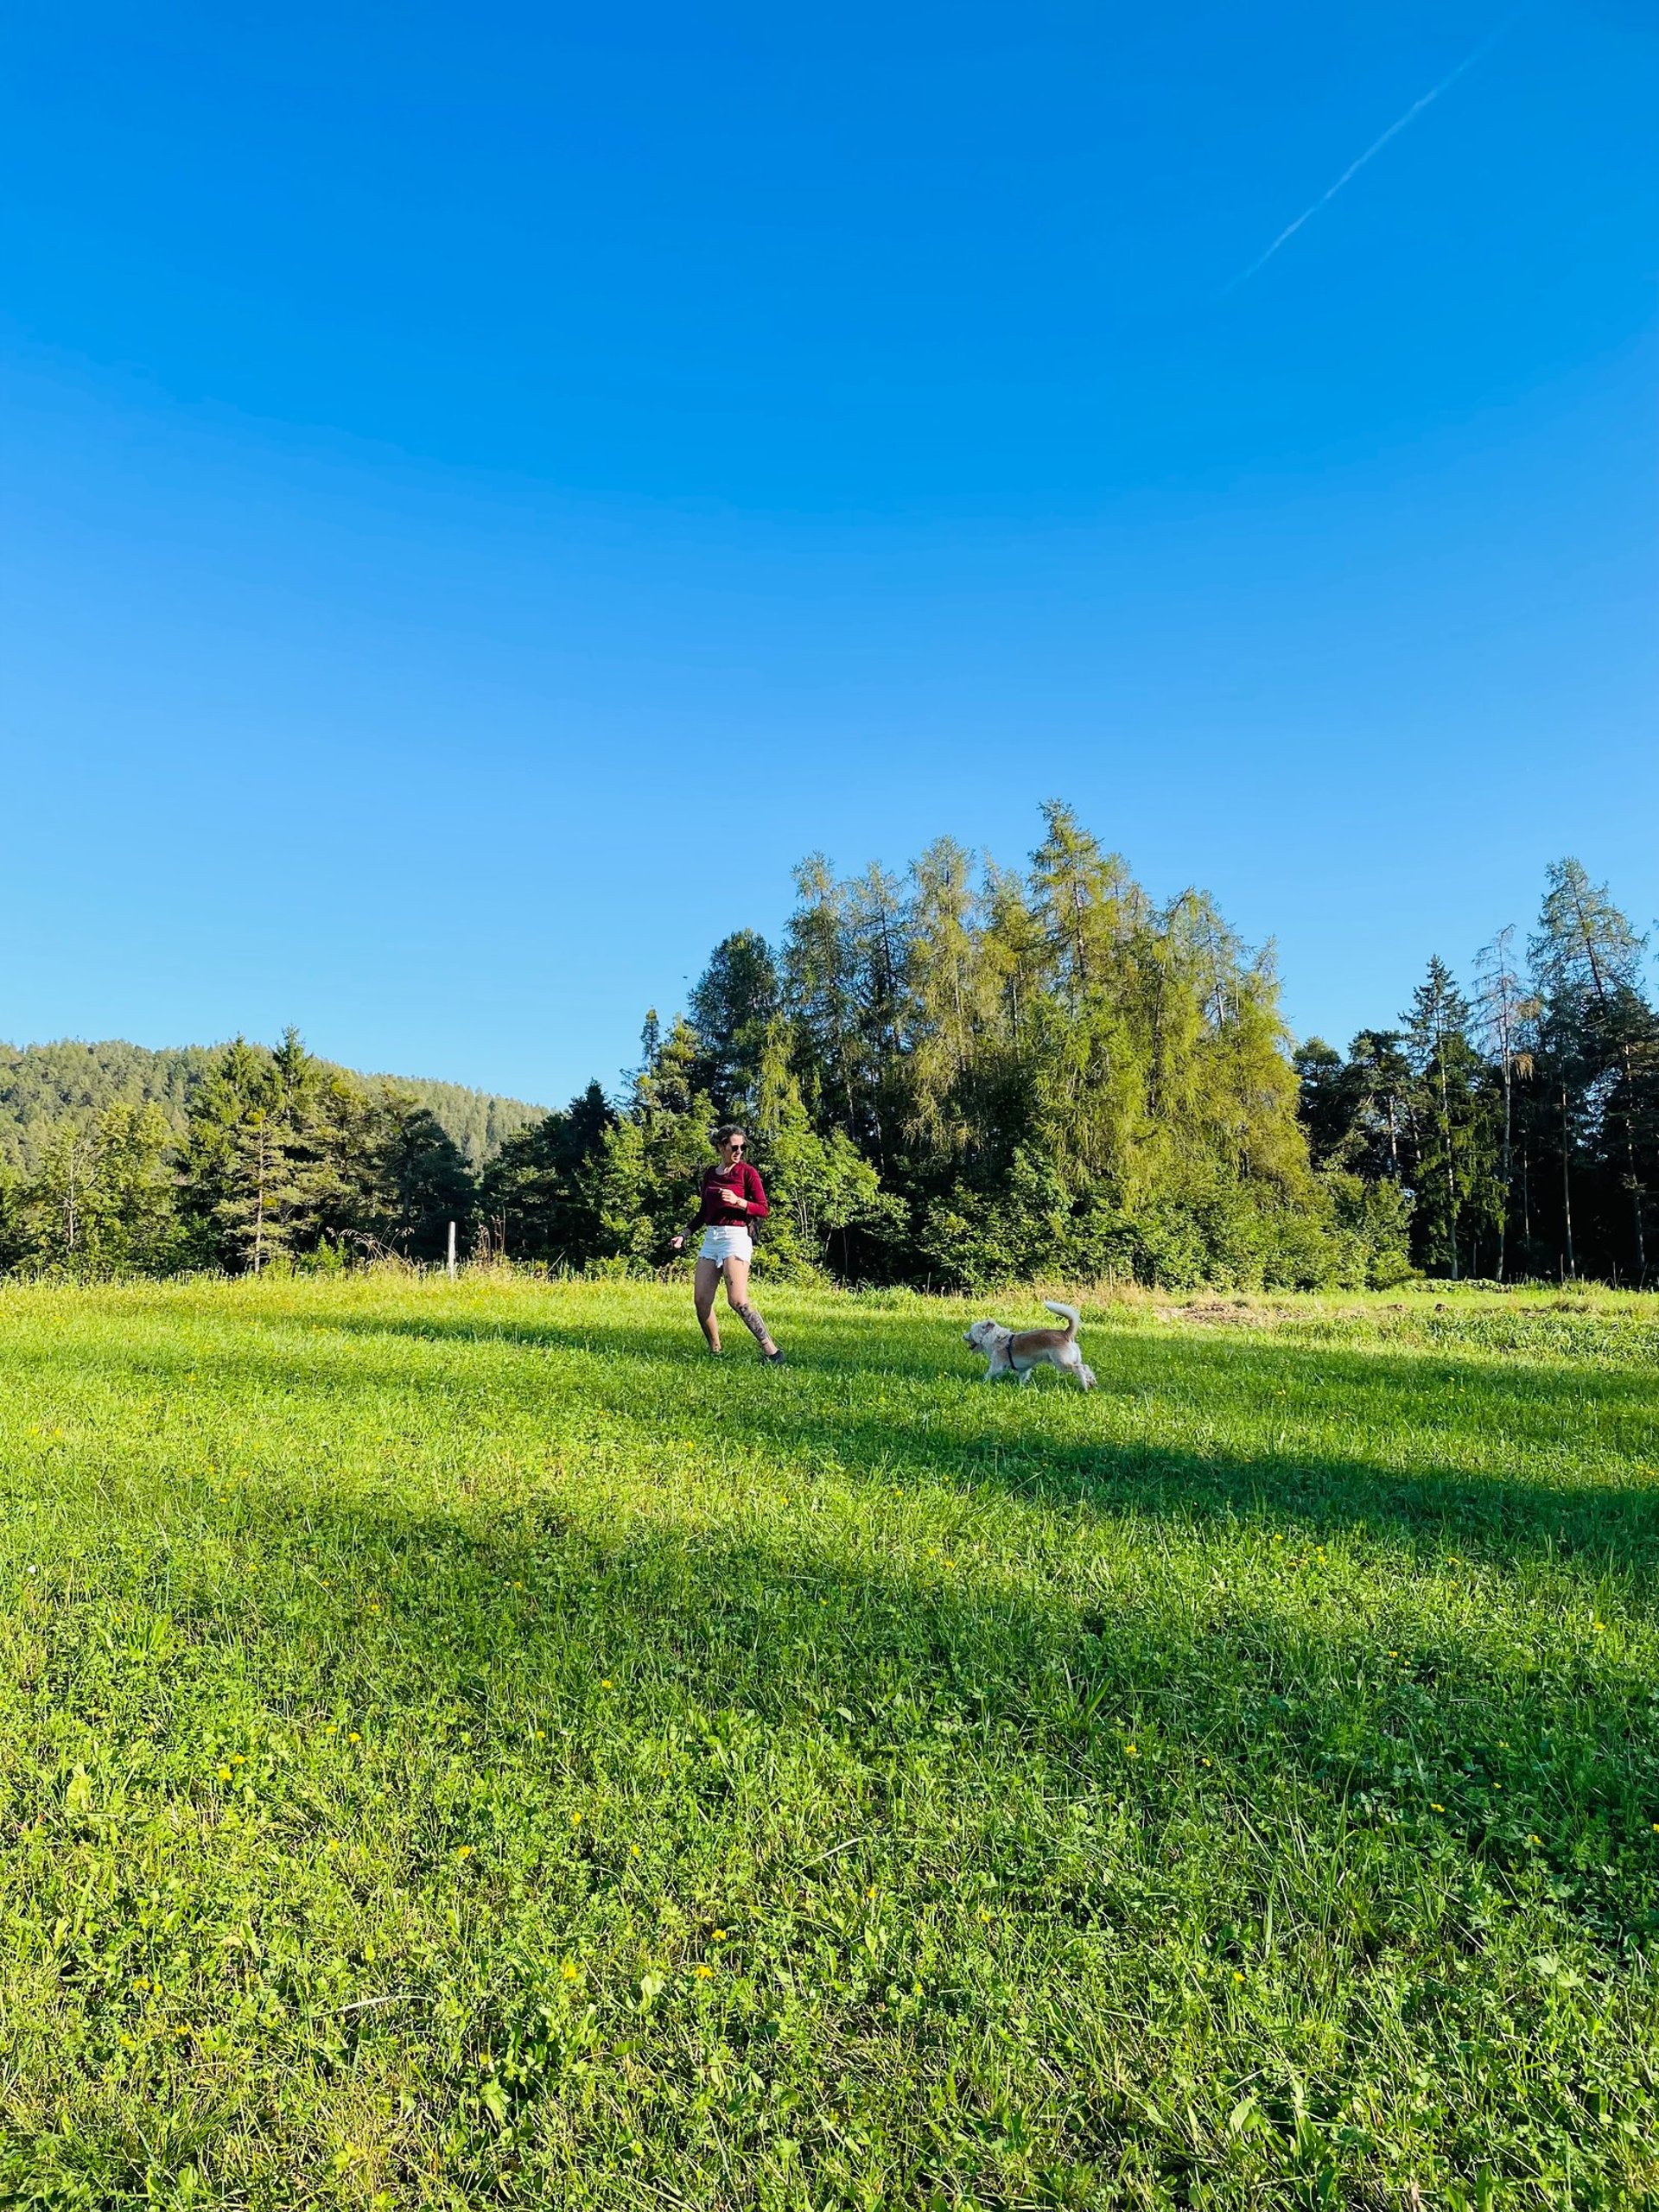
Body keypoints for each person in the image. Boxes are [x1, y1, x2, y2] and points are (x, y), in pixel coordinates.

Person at [669, 1123, 785, 1362]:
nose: (739, 1151)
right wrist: (685, 1234)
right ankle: (716, 1351)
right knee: (701, 1300)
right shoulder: (710, 1174)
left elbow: (763, 1209)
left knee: (738, 1300)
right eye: (735, 1146)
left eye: (743, 1147)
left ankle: (772, 1353)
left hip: (736, 1237)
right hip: (712, 1238)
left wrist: (738, 1201)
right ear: (721, 1146)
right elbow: (703, 1212)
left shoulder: (747, 1173)